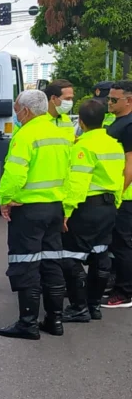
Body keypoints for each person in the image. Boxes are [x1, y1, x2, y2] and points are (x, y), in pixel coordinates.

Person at [0, 90, 72, 340]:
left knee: (26, 263)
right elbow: (70, 174)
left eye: (17, 110)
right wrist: (65, 207)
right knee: (52, 262)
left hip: (28, 209)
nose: (16, 115)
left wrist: (5, 198)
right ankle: (54, 320)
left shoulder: (26, 134)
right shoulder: (60, 134)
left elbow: (15, 172)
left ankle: (28, 324)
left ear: (26, 111)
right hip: (55, 207)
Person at [60, 100, 125, 323]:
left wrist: (67, 211)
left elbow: (78, 183)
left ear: (81, 122)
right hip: (108, 206)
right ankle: (94, 306)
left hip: (87, 207)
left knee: (70, 257)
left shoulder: (83, 147)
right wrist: (116, 203)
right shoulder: (114, 145)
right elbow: (119, 177)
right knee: (100, 254)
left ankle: (79, 307)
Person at [103, 80, 132, 308]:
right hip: (118, 193)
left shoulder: (129, 125)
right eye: (109, 98)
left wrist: (118, 194)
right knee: (116, 244)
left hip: (126, 195)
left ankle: (125, 292)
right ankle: (118, 285)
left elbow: (130, 164)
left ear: (129, 100)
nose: (109, 102)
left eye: (114, 99)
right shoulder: (118, 121)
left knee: (123, 245)